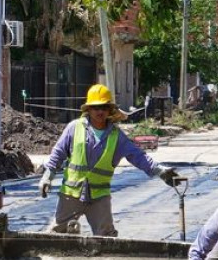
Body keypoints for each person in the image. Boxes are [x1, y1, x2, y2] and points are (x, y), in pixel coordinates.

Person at [39, 84, 178, 237]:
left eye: (104, 108)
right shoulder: (74, 128)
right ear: (88, 109)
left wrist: (159, 170)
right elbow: (58, 154)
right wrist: (48, 176)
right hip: (71, 195)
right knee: (56, 236)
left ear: (110, 110)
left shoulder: (116, 136)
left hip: (99, 197)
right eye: (96, 107)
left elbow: (138, 156)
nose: (100, 111)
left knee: (106, 238)